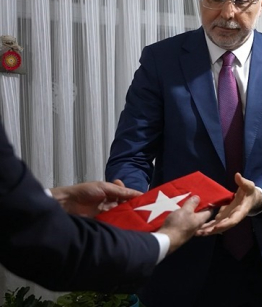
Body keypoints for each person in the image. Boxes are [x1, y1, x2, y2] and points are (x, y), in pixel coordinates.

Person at [105, 0, 262, 307]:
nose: (227, 13)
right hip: (179, 251)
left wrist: (257, 196)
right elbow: (131, 154)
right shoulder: (161, 61)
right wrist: (137, 207)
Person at [0, 120, 210, 292]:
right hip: (172, 275)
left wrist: (62, 199)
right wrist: (166, 237)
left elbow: (11, 207)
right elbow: (56, 243)